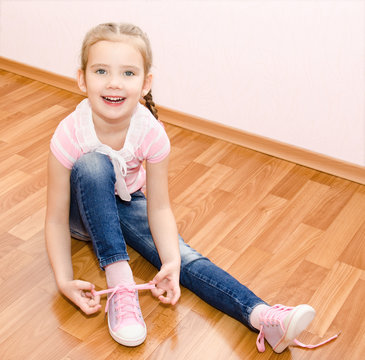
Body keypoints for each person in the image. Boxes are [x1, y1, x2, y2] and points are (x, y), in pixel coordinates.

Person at [45, 22, 338, 352]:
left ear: (146, 83)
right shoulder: (70, 132)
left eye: (128, 73)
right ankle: (121, 285)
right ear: (82, 79)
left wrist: (170, 261)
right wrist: (63, 280)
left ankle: (262, 315)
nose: (114, 82)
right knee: (93, 164)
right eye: (101, 71)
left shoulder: (151, 132)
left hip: (124, 202)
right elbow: (56, 218)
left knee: (182, 256)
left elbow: (158, 207)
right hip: (80, 212)